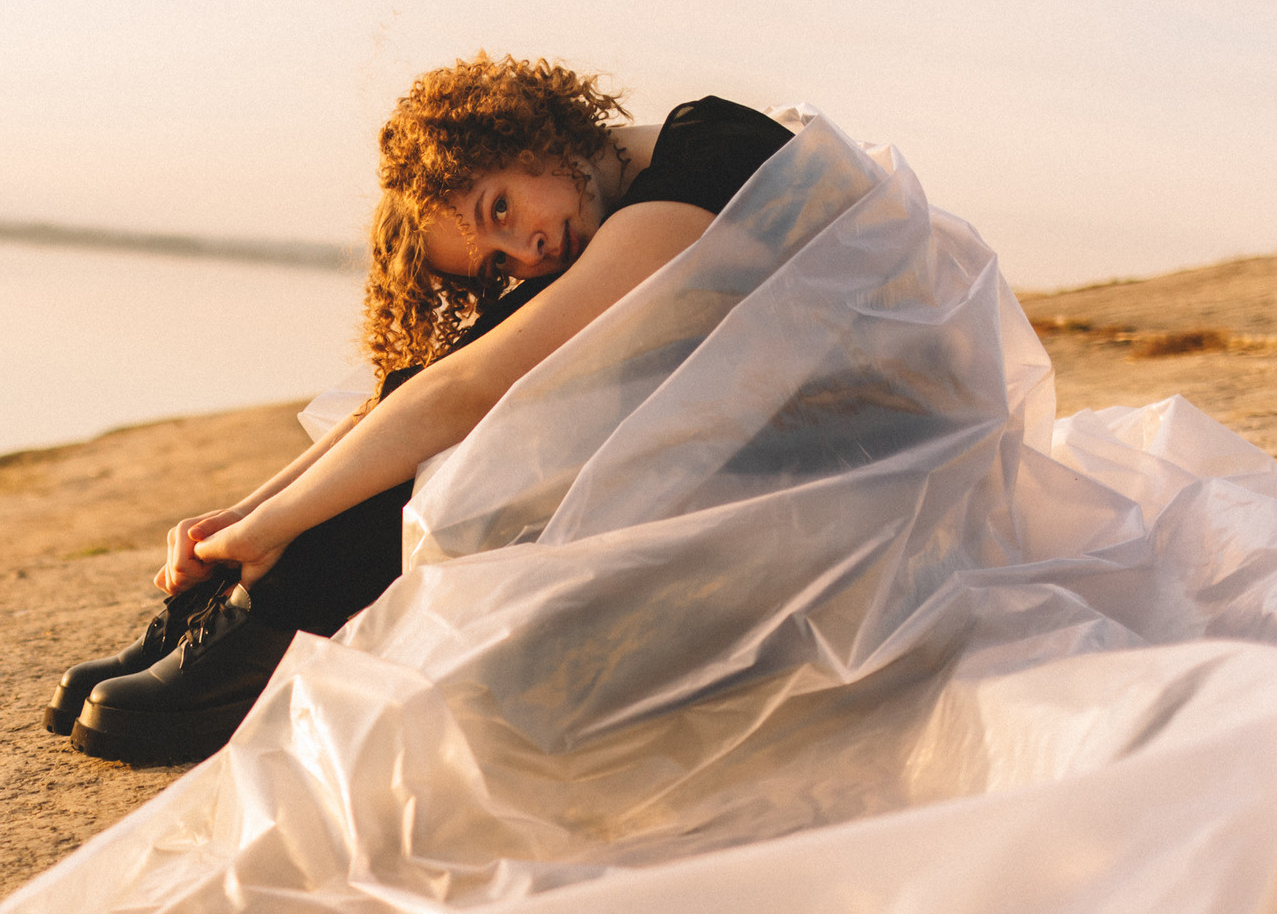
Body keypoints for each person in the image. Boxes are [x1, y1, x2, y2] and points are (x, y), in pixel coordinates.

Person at [44, 54, 794, 762]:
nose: (525, 248)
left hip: (829, 474)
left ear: (527, 134)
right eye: (496, 258)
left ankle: (282, 611)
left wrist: (276, 527)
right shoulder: (599, 214)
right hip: (736, 462)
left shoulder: (711, 158)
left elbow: (469, 390)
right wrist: (239, 520)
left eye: (498, 205)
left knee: (497, 393)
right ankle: (250, 601)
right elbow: (427, 385)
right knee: (467, 375)